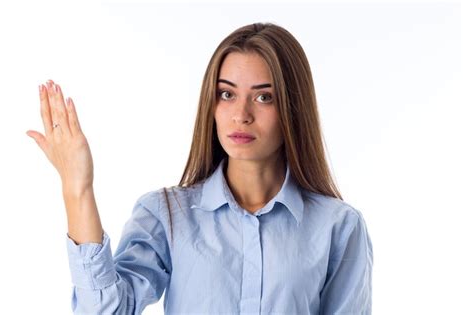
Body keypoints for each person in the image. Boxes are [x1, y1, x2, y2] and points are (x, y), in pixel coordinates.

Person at [26, 22, 373, 314]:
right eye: (226, 94)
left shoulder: (339, 227)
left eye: (264, 96)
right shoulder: (166, 215)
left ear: (294, 108)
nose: (241, 114)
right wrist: (77, 188)